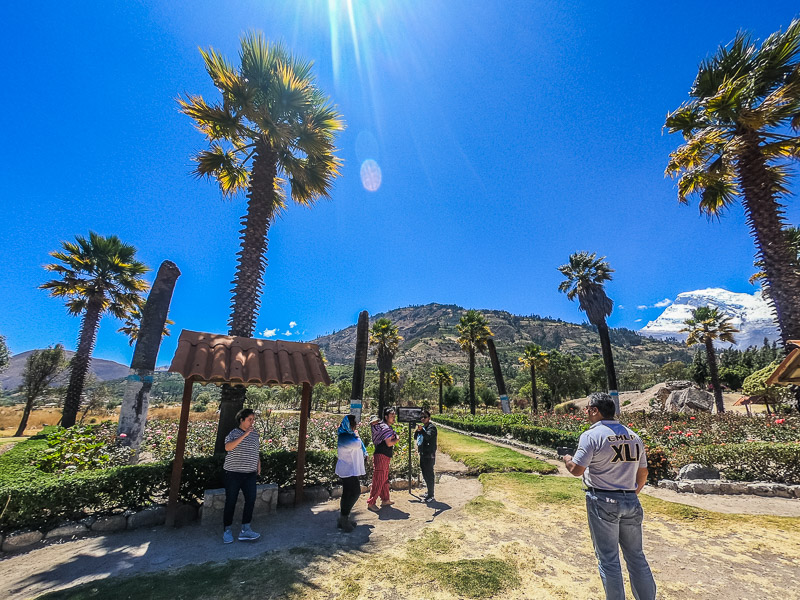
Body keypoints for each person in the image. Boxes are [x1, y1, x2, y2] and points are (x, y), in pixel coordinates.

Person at [562, 392, 656, 600]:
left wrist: (567, 459)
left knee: (609, 560)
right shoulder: (633, 436)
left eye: (588, 408)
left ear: (595, 410)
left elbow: (577, 470)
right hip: (630, 499)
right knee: (636, 557)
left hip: (603, 500)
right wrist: (632, 493)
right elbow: (643, 472)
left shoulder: (592, 435)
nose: (586, 412)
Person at [222, 408, 262, 544]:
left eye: (253, 419)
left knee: (251, 500)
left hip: (250, 474)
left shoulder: (255, 434)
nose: (252, 422)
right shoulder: (233, 433)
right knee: (231, 501)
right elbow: (228, 447)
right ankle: (227, 530)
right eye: (249, 419)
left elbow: (256, 450)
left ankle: (246, 529)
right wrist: (244, 435)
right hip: (233, 474)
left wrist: (258, 464)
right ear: (242, 420)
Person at [335, 414, 367, 532]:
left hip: (349, 469)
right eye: (353, 425)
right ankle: (344, 517)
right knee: (355, 492)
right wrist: (357, 436)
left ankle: (343, 518)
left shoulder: (348, 435)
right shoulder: (345, 437)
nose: (355, 427)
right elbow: (357, 444)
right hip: (347, 470)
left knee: (347, 493)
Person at [367, 407, 399, 511]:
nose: (394, 418)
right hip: (381, 456)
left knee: (384, 478)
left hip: (384, 456)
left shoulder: (385, 427)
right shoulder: (385, 427)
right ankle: (371, 503)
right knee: (379, 479)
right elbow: (389, 443)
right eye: (392, 416)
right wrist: (397, 439)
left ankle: (385, 499)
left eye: (394, 416)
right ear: (386, 417)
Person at [414, 409, 437, 502]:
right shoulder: (423, 427)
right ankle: (429, 492)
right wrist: (417, 431)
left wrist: (422, 430)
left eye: (425, 417)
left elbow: (427, 436)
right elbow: (416, 437)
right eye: (421, 417)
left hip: (429, 454)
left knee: (429, 474)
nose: (422, 418)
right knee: (424, 473)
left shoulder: (432, 428)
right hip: (423, 453)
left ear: (429, 418)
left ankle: (431, 495)